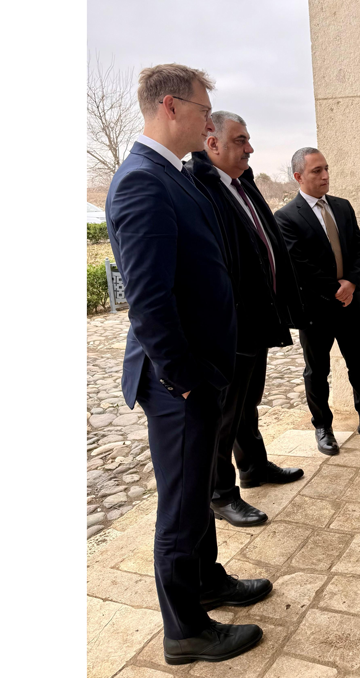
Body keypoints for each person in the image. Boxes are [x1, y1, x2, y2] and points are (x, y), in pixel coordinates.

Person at [106, 64, 272, 665]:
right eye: (203, 110)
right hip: (179, 380)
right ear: (171, 106)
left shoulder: (174, 172)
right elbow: (149, 299)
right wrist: (183, 378)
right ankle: (185, 631)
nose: (208, 122)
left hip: (201, 371)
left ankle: (206, 581)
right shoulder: (140, 181)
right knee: (180, 506)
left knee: (199, 491)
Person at [183, 111, 305, 528]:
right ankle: (220, 493)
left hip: (256, 317)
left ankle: (253, 466)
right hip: (229, 326)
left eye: (249, 139)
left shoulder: (240, 182)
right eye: (240, 140)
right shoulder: (199, 186)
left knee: (246, 404)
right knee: (223, 414)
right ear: (212, 144)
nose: (250, 148)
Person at [274, 148, 360, 454]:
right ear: (298, 177)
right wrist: (335, 288)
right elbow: (299, 264)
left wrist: (351, 283)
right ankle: (323, 427)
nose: (325, 176)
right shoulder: (286, 217)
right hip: (315, 309)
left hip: (350, 304)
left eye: (326, 168)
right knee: (317, 372)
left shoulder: (343, 207)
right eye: (317, 171)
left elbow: (359, 248)